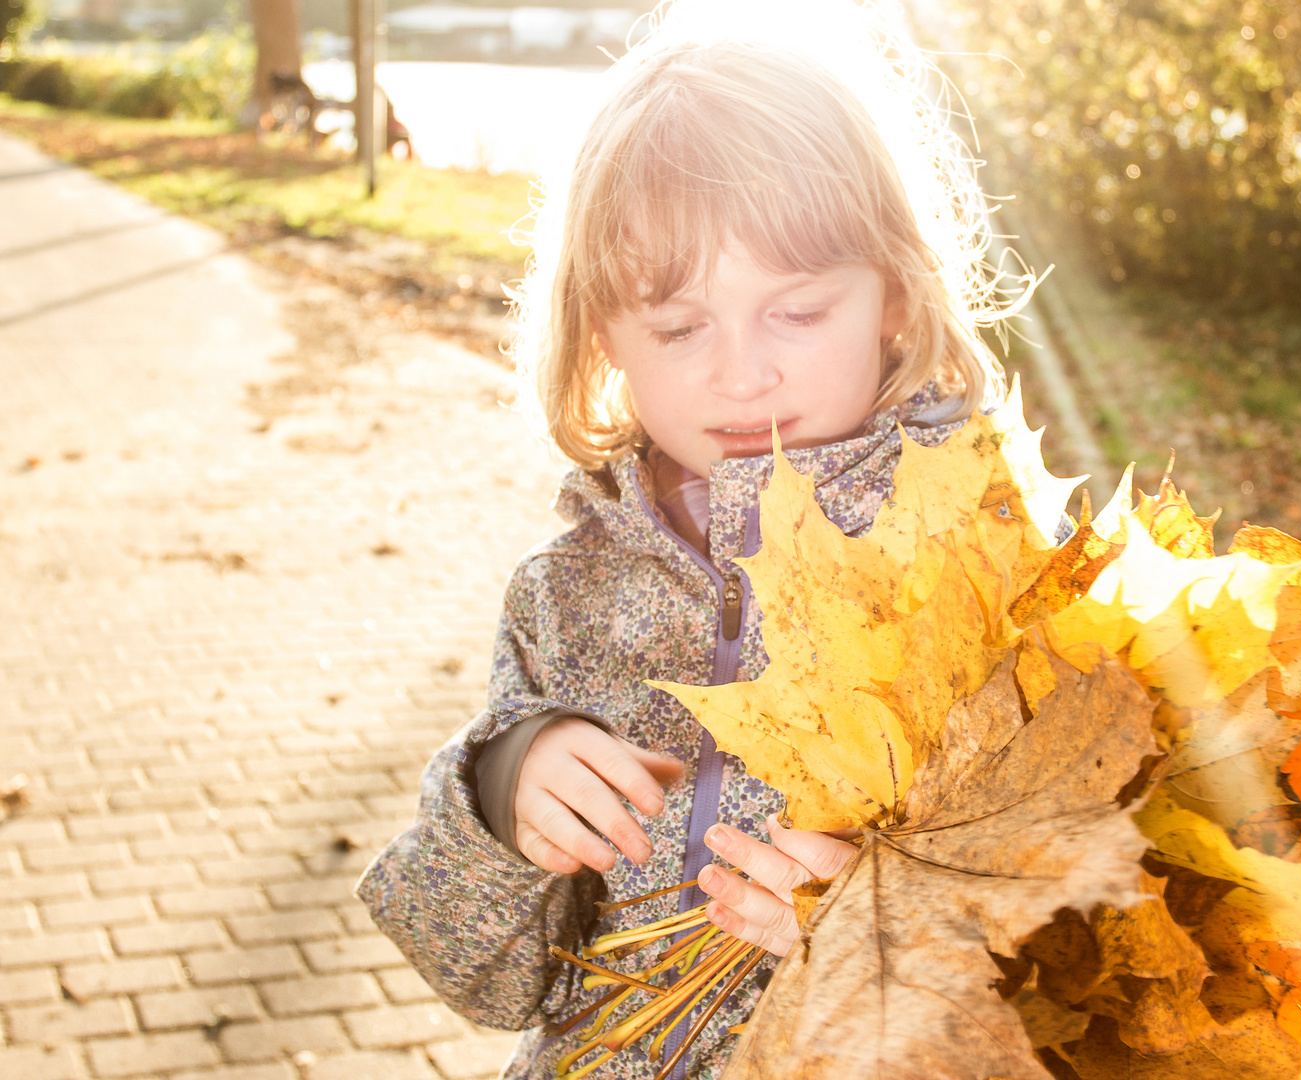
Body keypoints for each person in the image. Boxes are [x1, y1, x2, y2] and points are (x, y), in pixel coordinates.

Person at [357, 2, 1029, 1077]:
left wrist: (889, 924)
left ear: (895, 296)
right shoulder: (566, 593)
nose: (740, 373)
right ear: (601, 332)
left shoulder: (979, 565)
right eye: (677, 328)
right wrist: (501, 795)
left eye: (798, 311)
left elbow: (1083, 912)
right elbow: (482, 976)